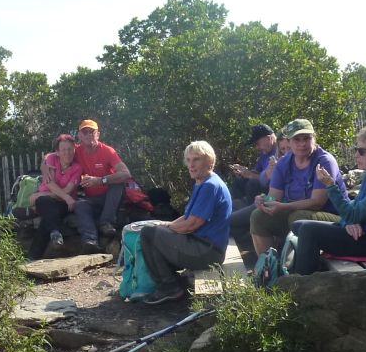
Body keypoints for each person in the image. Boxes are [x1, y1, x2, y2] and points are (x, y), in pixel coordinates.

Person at [290, 126, 366, 275]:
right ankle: (309, 277)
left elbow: (352, 213)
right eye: (356, 149)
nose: (357, 155)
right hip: (362, 235)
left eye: (362, 151)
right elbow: (353, 211)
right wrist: (350, 223)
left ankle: (302, 284)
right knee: (298, 225)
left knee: (308, 231)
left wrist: (330, 185)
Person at [141, 140, 233, 305]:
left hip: (208, 252)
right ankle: (173, 281)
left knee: (148, 233)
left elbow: (192, 224)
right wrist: (164, 225)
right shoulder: (202, 182)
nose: (191, 164)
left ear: (209, 162)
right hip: (203, 245)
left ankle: (169, 287)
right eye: (189, 160)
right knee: (154, 231)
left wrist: (166, 228)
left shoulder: (210, 187)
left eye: (196, 159)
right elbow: (186, 217)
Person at [244, 119, 347, 263]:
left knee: (298, 218)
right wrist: (264, 201)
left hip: (336, 219)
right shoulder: (284, 163)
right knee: (258, 216)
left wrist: (284, 206)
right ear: (289, 141)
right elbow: (274, 198)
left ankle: (299, 267)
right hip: (298, 215)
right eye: (297, 139)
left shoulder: (324, 161)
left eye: (307, 138)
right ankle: (268, 267)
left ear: (314, 138)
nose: (302, 143)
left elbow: (317, 203)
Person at [67, 119, 131, 251]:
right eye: (85, 132)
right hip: (92, 199)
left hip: (110, 197)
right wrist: (45, 168)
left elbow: (126, 174)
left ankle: (105, 222)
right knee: (80, 204)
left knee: (118, 184)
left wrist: (100, 180)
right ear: (79, 135)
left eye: (92, 132)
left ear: (98, 134)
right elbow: (54, 157)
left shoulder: (107, 151)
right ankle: (90, 241)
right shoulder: (76, 152)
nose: (88, 135)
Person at [28, 134, 82, 260]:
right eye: (63, 150)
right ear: (57, 152)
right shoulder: (51, 159)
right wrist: (64, 196)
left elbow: (68, 191)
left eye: (70, 149)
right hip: (51, 201)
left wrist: (39, 194)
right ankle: (55, 233)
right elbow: (50, 183)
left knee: (46, 212)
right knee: (45, 203)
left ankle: (32, 257)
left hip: (61, 203)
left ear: (74, 150)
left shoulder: (77, 168)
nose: (67, 153)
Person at [228, 124, 278, 204]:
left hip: (273, 193)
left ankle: (249, 211)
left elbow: (269, 180)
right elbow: (257, 172)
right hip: (262, 188)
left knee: (253, 183)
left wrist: (250, 175)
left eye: (257, 143)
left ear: (269, 139)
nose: (257, 147)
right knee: (239, 181)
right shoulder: (264, 153)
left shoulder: (280, 152)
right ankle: (235, 206)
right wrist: (243, 171)